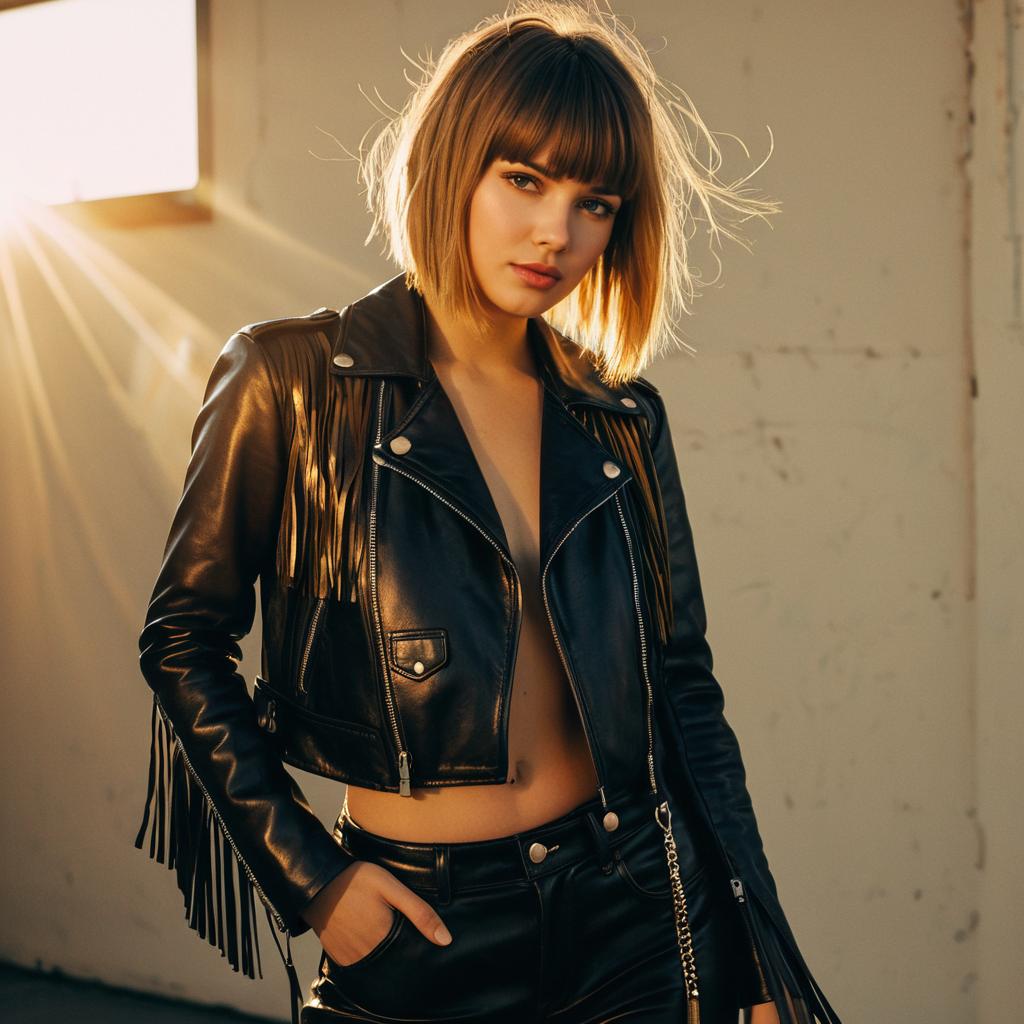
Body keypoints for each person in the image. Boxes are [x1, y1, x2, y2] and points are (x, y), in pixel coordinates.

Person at [133, 3, 843, 1023]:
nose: (558, 232)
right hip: (421, 925)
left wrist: (755, 948)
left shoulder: (619, 417)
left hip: (635, 904)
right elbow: (183, 640)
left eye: (596, 201)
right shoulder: (294, 379)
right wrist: (314, 880)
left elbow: (682, 690)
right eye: (524, 179)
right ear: (450, 165)